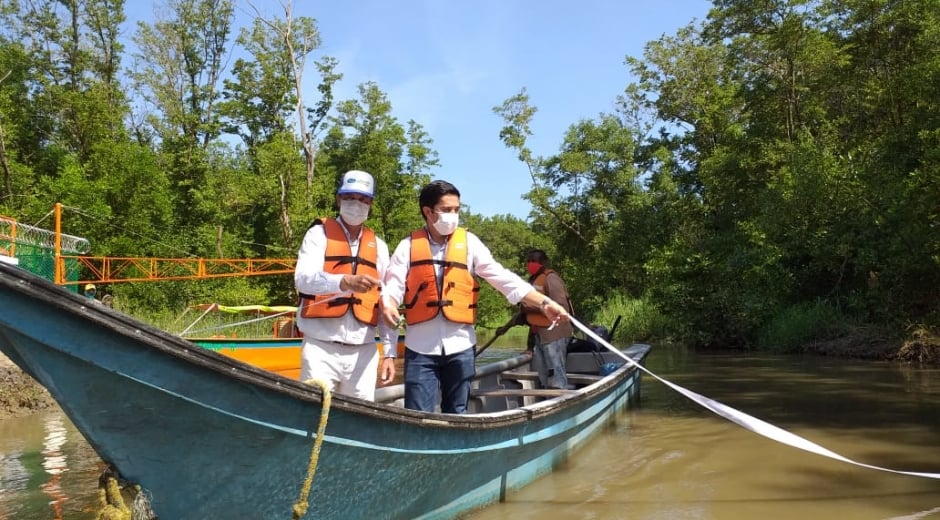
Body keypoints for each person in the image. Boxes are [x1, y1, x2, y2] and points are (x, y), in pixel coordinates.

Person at [381, 180, 570, 413]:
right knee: (417, 415)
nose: (453, 215)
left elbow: (501, 277)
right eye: (447, 210)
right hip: (420, 349)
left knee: (458, 414)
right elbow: (393, 286)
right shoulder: (407, 246)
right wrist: (388, 303)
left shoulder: (470, 243)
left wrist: (543, 302)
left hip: (461, 347)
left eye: (457, 210)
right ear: (428, 212)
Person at [294, 170, 397, 401]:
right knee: (313, 414)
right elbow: (302, 279)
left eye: (363, 199)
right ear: (339, 199)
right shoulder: (317, 234)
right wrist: (343, 281)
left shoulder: (379, 246)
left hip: (364, 351)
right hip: (320, 347)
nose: (356, 204)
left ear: (370, 204)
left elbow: (384, 300)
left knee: (360, 416)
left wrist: (389, 353)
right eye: (350, 197)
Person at [520, 249, 574, 389]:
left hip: (554, 334)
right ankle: (546, 397)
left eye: (535, 261)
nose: (531, 264)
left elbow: (561, 308)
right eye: (529, 261)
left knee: (556, 373)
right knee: (542, 374)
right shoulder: (533, 280)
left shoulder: (551, 279)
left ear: (543, 262)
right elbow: (528, 315)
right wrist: (529, 346)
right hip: (539, 335)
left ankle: (560, 396)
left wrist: (531, 308)